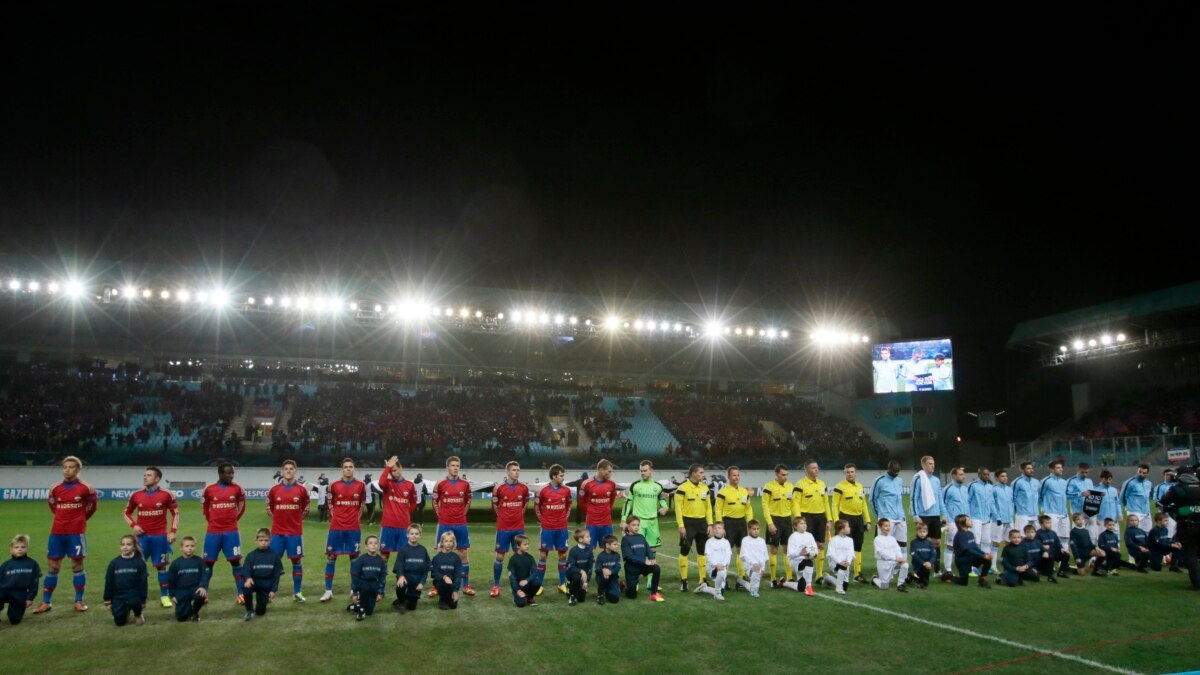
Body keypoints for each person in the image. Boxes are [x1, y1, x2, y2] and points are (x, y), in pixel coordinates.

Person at [35, 455, 98, 614]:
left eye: (71, 467)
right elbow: (53, 507)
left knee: (77, 565)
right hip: (56, 532)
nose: (67, 470)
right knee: (53, 566)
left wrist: (80, 520)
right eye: (65, 467)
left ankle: (79, 600)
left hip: (76, 533)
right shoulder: (55, 488)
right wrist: (63, 518)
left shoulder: (86, 488)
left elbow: (92, 508)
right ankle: (46, 602)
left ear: (78, 469)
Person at [123, 466, 180, 608]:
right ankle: (140, 596)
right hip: (142, 539)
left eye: (148, 475)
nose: (145, 477)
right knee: (138, 567)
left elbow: (176, 513)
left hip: (160, 538)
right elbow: (126, 513)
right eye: (144, 475)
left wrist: (172, 531)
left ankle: (164, 596)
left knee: (162, 567)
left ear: (157, 479)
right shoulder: (136, 495)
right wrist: (134, 526)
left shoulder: (167, 494)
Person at [199, 462, 247, 605]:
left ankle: (240, 594)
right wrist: (213, 522)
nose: (231, 475)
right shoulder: (209, 489)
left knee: (236, 562)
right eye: (228, 473)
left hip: (231, 532)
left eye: (232, 473)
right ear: (220, 473)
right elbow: (205, 509)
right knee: (208, 563)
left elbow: (241, 508)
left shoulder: (238, 489)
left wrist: (232, 521)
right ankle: (203, 593)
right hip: (213, 532)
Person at [321, 458, 366, 603]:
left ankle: (354, 589)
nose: (348, 469)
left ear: (354, 469)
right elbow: (329, 503)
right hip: (336, 527)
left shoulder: (360, 485)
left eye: (351, 466)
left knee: (354, 559)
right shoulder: (333, 485)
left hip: (353, 528)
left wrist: (354, 519)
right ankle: (328, 591)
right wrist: (337, 518)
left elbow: (362, 504)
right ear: (342, 469)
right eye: (346, 467)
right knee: (331, 557)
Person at [428, 455, 474, 597]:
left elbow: (467, 501)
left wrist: (462, 515)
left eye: (457, 466)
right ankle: (436, 585)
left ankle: (465, 585)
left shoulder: (465, 484)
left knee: (463, 554)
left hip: (461, 524)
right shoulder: (440, 484)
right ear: (447, 467)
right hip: (445, 523)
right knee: (440, 554)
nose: (455, 468)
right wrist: (441, 517)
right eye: (453, 466)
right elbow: (435, 502)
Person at [267, 459, 310, 602]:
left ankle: (297, 592)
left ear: (295, 471)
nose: (289, 471)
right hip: (277, 533)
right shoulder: (274, 490)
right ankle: (270, 591)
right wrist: (278, 521)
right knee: (273, 562)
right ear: (282, 471)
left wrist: (296, 521)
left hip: (294, 533)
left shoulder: (302, 490)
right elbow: (270, 509)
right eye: (286, 468)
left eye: (291, 468)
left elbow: (305, 509)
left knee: (296, 562)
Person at [377, 455, 418, 594]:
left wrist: (404, 512)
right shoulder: (387, 484)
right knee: (383, 557)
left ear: (401, 468)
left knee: (403, 558)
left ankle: (401, 589)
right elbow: (380, 483)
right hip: (388, 526)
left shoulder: (409, 485)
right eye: (391, 470)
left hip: (403, 527)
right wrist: (387, 467)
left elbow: (413, 503)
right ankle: (380, 589)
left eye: (395, 469)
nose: (393, 472)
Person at [490, 461, 531, 599]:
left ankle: (521, 584)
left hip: (518, 527)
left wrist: (518, 516)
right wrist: (502, 517)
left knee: (519, 556)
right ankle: (496, 585)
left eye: (518, 470)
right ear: (507, 472)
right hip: (503, 528)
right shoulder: (499, 488)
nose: (517, 472)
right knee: (500, 556)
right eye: (514, 470)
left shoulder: (524, 488)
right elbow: (495, 506)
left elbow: (525, 504)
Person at [1156, 467, 1200, 589]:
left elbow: (1162, 502)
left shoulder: (1176, 489)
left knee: (1190, 554)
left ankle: (1197, 584)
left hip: (1187, 526)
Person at [534, 464, 573, 594]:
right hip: (547, 528)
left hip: (561, 528)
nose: (563, 478)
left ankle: (562, 584)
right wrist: (543, 521)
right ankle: (539, 585)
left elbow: (569, 505)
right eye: (561, 475)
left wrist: (564, 519)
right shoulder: (542, 491)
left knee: (563, 555)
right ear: (554, 476)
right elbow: (537, 508)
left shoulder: (566, 491)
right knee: (543, 555)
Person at [674, 464, 713, 592]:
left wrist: (710, 524)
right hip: (688, 523)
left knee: (702, 552)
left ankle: (703, 579)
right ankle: (684, 581)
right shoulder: (682, 488)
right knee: (684, 551)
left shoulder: (705, 488)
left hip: (702, 523)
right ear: (693, 473)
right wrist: (681, 525)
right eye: (701, 472)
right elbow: (678, 509)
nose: (703, 475)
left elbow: (708, 507)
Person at [831, 463, 871, 583]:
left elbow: (864, 504)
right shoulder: (839, 486)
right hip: (845, 518)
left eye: (852, 472)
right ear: (844, 473)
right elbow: (834, 505)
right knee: (843, 546)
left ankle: (857, 574)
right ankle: (841, 570)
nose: (850, 474)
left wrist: (868, 520)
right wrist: (837, 521)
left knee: (858, 545)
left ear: (855, 473)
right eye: (847, 472)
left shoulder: (860, 486)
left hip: (858, 519)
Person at [716, 466, 754, 588]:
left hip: (741, 524)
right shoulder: (723, 492)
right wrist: (720, 525)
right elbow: (718, 509)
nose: (736, 477)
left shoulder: (744, 491)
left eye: (738, 475)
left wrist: (750, 524)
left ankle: (741, 577)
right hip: (728, 523)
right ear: (729, 477)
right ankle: (723, 578)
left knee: (741, 551)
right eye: (734, 475)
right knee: (726, 552)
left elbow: (748, 509)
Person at [621, 460, 669, 556]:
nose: (642, 473)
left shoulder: (658, 486)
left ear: (651, 470)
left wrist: (665, 507)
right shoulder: (635, 485)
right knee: (638, 549)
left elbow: (661, 499)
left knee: (652, 550)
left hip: (653, 522)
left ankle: (651, 571)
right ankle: (637, 570)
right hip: (638, 522)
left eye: (645, 470)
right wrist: (623, 520)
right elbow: (628, 503)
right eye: (641, 471)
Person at [910, 456, 947, 575]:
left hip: (935, 515)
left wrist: (944, 513)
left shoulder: (936, 480)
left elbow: (939, 498)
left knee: (936, 543)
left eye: (933, 463)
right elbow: (913, 498)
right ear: (924, 465)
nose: (933, 465)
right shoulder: (918, 479)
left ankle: (936, 569)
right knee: (922, 542)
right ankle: (919, 569)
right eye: (930, 463)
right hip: (923, 515)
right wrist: (915, 515)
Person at [760, 464, 795, 588]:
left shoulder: (790, 487)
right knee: (774, 549)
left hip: (787, 520)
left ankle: (789, 576)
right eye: (783, 475)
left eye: (787, 475)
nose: (785, 477)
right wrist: (770, 523)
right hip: (774, 520)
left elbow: (793, 504)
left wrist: (797, 518)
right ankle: (773, 578)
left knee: (788, 550)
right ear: (776, 474)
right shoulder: (769, 487)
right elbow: (765, 506)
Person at [103, 534, 148, 626]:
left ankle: (138, 614)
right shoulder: (114, 563)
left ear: (134, 547)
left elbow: (143, 583)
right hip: (118, 595)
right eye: (123, 544)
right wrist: (107, 599)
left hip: (133, 593)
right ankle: (125, 610)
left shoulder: (140, 563)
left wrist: (143, 600)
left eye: (128, 544)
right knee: (119, 623)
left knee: (134, 601)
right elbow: (108, 581)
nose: (125, 547)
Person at [870, 461, 907, 566]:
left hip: (900, 517)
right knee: (885, 544)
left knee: (902, 544)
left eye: (898, 471)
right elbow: (872, 499)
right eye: (894, 471)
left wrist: (902, 514)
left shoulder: (899, 480)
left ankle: (901, 566)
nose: (896, 473)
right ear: (889, 469)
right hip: (887, 517)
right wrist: (880, 516)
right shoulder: (879, 481)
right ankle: (886, 566)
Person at [579, 459, 620, 555]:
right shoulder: (586, 484)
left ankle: (607, 569)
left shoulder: (612, 484)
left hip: (606, 522)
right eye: (609, 471)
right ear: (601, 470)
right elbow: (581, 502)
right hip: (592, 523)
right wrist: (590, 511)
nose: (610, 474)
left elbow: (612, 500)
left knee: (608, 549)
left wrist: (606, 511)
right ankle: (588, 569)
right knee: (589, 550)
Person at [241, 528, 283, 620]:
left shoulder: (275, 556)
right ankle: (249, 611)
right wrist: (248, 578)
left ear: (270, 541)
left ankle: (262, 601)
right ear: (256, 541)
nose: (263, 543)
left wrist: (273, 590)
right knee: (247, 587)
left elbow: (277, 575)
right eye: (261, 540)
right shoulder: (251, 555)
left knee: (260, 612)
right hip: (254, 582)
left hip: (266, 585)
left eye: (266, 540)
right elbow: (246, 570)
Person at [0, 534, 40, 626]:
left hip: (20, 593)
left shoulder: (32, 564)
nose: (20, 549)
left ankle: (14, 614)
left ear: (27, 549)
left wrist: (30, 598)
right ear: (11, 549)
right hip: (4, 590)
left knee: (15, 620)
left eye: (23, 547)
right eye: (16, 547)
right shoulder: (5, 565)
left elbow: (35, 583)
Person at [620, 515, 663, 602]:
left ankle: (653, 594)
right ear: (628, 526)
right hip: (632, 568)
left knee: (656, 568)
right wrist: (644, 561)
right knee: (632, 595)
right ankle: (623, 586)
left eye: (638, 525)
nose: (636, 527)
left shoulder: (641, 537)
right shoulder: (625, 539)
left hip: (643, 566)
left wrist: (651, 558)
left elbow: (648, 549)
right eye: (634, 525)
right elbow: (629, 557)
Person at [165, 536, 208, 622]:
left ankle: (195, 613)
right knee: (181, 618)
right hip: (181, 590)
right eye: (187, 546)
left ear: (195, 547)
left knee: (200, 596)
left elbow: (204, 575)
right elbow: (171, 580)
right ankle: (187, 609)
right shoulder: (175, 563)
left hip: (195, 588)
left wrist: (202, 587)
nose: (190, 548)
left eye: (192, 546)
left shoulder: (199, 561)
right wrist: (172, 595)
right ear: (181, 548)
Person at [392, 525, 430, 613]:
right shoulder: (403, 550)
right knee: (401, 584)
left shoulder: (423, 550)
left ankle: (406, 598)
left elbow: (426, 569)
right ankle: (401, 601)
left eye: (416, 534)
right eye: (411, 533)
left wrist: (421, 582)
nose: (414, 535)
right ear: (407, 535)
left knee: (412, 607)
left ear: (420, 535)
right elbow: (399, 566)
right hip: (405, 577)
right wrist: (401, 576)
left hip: (417, 579)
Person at [941, 467, 969, 580]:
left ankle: (963, 566)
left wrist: (968, 519)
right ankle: (948, 569)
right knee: (950, 545)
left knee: (964, 546)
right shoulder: (948, 489)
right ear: (954, 476)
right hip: (952, 521)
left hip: (965, 522)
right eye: (961, 474)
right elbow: (942, 505)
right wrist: (945, 521)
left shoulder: (965, 489)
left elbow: (967, 504)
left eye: (963, 474)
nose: (964, 476)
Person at [349, 535, 387, 620]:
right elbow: (355, 576)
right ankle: (360, 612)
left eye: (375, 543)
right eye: (370, 543)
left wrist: (380, 592)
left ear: (378, 546)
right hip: (363, 584)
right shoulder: (361, 559)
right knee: (364, 596)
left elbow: (382, 578)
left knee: (369, 611)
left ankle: (355, 606)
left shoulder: (381, 561)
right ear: (366, 547)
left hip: (374, 585)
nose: (373, 545)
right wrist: (355, 592)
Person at [780, 516, 819, 595]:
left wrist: (814, 554)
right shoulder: (792, 537)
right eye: (801, 523)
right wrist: (800, 553)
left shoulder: (809, 535)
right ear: (795, 526)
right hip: (796, 561)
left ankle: (784, 583)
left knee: (801, 588)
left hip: (806, 561)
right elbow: (790, 554)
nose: (804, 525)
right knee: (808, 562)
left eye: (805, 523)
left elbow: (815, 549)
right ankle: (809, 586)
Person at [951, 515, 992, 588]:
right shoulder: (960, 535)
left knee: (987, 561)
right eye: (968, 520)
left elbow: (975, 547)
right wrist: (983, 556)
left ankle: (982, 579)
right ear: (962, 523)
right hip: (962, 560)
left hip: (971, 558)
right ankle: (948, 576)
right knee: (963, 582)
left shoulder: (970, 534)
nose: (971, 521)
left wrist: (985, 554)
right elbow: (967, 550)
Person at [693, 521, 731, 600]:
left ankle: (704, 588)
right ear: (713, 530)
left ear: (723, 530)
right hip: (712, 568)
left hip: (723, 567)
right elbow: (708, 556)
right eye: (715, 528)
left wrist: (723, 564)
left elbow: (728, 555)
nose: (717, 530)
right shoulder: (709, 542)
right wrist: (716, 565)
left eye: (719, 528)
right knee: (720, 575)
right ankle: (717, 594)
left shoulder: (726, 542)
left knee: (721, 590)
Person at [967, 467, 996, 569]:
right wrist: (968, 517)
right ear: (979, 474)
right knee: (975, 542)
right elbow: (968, 501)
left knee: (987, 542)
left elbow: (992, 502)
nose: (987, 476)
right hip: (976, 518)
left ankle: (986, 565)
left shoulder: (990, 486)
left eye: (988, 474)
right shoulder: (973, 485)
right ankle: (972, 567)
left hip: (987, 518)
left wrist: (996, 515)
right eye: (984, 474)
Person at [871, 518, 909, 592]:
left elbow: (897, 549)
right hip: (883, 563)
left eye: (889, 526)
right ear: (879, 527)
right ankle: (874, 579)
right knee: (884, 586)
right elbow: (881, 553)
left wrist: (900, 558)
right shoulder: (877, 539)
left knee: (905, 564)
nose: (888, 528)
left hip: (894, 562)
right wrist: (895, 558)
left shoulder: (892, 539)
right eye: (885, 526)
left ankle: (900, 584)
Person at [1039, 460, 1070, 544]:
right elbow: (1040, 496)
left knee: (1065, 536)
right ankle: (1052, 556)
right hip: (1052, 513)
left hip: (1064, 513)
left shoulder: (1064, 482)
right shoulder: (1045, 481)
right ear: (1051, 470)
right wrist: (1043, 508)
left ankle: (1064, 556)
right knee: (1052, 536)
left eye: (1061, 467)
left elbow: (1066, 495)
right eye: (1058, 468)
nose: (1061, 469)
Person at [431, 530, 463, 610]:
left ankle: (449, 596)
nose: (448, 543)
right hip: (440, 583)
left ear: (453, 543)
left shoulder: (456, 558)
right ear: (442, 542)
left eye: (450, 541)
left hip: (452, 584)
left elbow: (458, 575)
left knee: (453, 606)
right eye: (446, 541)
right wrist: (444, 577)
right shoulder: (437, 558)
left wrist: (455, 591)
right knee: (444, 583)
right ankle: (442, 600)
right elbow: (434, 573)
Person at [507, 535, 541, 608]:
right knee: (521, 604)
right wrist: (517, 590)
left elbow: (535, 572)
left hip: (527, 583)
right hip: (518, 586)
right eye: (525, 544)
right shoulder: (513, 559)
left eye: (528, 544)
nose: (527, 546)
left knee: (537, 582)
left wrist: (527, 580)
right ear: (518, 546)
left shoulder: (530, 558)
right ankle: (519, 597)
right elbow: (512, 577)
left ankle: (530, 597)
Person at [822, 519, 855, 595]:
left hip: (846, 564)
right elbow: (831, 554)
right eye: (848, 527)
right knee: (841, 581)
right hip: (835, 563)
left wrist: (848, 562)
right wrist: (840, 562)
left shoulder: (850, 540)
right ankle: (838, 588)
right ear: (842, 529)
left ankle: (828, 578)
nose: (850, 528)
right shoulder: (833, 540)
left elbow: (851, 553)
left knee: (845, 586)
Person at [737, 520, 769, 598]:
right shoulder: (745, 540)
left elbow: (764, 556)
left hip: (759, 567)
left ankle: (740, 581)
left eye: (758, 529)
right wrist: (753, 563)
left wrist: (763, 568)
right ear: (749, 530)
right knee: (755, 581)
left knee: (754, 582)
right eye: (754, 529)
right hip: (749, 566)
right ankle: (754, 592)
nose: (756, 531)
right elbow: (744, 555)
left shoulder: (762, 541)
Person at [1034, 515, 1071, 581]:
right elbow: (1036, 545)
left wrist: (1062, 548)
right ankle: (1050, 576)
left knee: (1066, 555)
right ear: (1041, 524)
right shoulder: (1038, 534)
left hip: (1053, 553)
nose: (1050, 524)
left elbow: (1058, 543)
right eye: (1047, 523)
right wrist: (1043, 547)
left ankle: (1061, 572)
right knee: (1049, 558)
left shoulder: (1053, 533)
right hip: (1044, 556)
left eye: (1050, 522)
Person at [564, 528, 593, 606]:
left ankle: (574, 587)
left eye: (589, 536)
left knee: (581, 599)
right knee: (576, 576)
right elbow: (571, 567)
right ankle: (572, 594)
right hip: (573, 574)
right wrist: (582, 571)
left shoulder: (590, 551)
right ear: (580, 540)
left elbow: (590, 567)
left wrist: (585, 582)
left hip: (583, 576)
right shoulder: (573, 551)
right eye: (587, 536)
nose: (590, 538)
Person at [1121, 464, 1153, 534]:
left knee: (1148, 533)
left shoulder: (1149, 483)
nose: (1141, 474)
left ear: (1147, 474)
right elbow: (1122, 496)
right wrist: (1127, 508)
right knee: (1134, 534)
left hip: (1146, 512)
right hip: (1134, 511)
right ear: (1137, 471)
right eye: (1140, 471)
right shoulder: (1129, 482)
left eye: (1144, 473)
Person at [1011, 461, 1042, 534]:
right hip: (1022, 514)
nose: (1031, 470)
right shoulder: (1017, 482)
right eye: (1028, 468)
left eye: (1032, 468)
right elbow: (1012, 498)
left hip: (1035, 514)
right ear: (1022, 470)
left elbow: (1039, 497)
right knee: (1022, 536)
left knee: (1038, 536)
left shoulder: (1036, 482)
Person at [1065, 463, 1094, 534]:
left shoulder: (1089, 481)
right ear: (1078, 470)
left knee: (1092, 533)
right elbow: (1066, 495)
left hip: (1089, 510)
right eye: (1082, 472)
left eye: (1086, 472)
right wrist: (1081, 494)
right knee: (1078, 532)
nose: (1084, 474)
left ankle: (1092, 545)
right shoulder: (1071, 481)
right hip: (1077, 510)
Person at [992, 468, 1015, 554]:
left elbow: (1012, 503)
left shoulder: (1009, 489)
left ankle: (1006, 560)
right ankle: (993, 565)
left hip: (1009, 519)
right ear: (996, 478)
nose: (1005, 478)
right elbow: (992, 504)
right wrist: (997, 517)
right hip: (998, 520)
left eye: (1006, 476)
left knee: (1010, 541)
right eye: (1002, 476)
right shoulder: (993, 489)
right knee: (996, 542)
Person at [594, 535, 622, 605]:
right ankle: (600, 595)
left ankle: (618, 587)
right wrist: (603, 570)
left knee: (614, 599)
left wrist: (610, 572)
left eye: (617, 544)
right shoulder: (601, 556)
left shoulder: (617, 555)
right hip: (602, 578)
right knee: (605, 577)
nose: (617, 546)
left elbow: (618, 567)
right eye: (614, 544)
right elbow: (597, 569)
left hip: (613, 578)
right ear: (607, 545)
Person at [910, 522, 937, 589]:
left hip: (928, 564)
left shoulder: (930, 543)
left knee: (925, 570)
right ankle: (922, 583)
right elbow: (914, 555)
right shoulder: (913, 542)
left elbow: (934, 554)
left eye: (924, 531)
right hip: (918, 564)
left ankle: (915, 579)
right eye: (920, 532)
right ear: (917, 532)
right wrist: (923, 562)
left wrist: (930, 562)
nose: (922, 533)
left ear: (927, 532)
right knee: (924, 570)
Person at [1154, 469, 1177, 541]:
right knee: (1169, 530)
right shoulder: (1160, 487)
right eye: (1167, 475)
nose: (1169, 476)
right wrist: (1164, 510)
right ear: (1164, 476)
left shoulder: (1177, 485)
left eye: (1171, 475)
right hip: (1166, 511)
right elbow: (1157, 500)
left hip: (1176, 510)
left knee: (1177, 530)